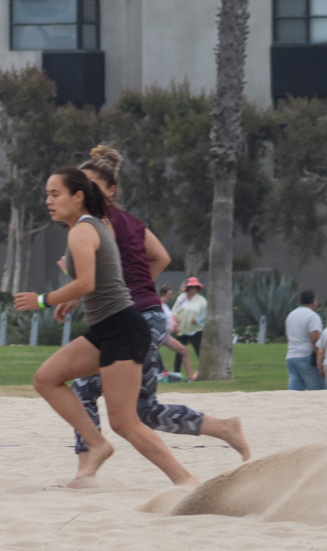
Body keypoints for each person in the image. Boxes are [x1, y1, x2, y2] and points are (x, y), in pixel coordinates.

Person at [58, 147, 249, 483]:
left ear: (110, 190)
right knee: (144, 411)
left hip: (131, 320)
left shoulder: (98, 223)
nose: (83, 193)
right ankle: (223, 428)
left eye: (89, 186)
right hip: (150, 317)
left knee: (84, 388)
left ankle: (87, 465)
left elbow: (96, 275)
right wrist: (139, 286)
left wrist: (81, 284)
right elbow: (161, 257)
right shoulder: (130, 221)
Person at [14, 167, 198, 487]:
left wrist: (43, 300)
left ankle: (186, 482)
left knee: (125, 422)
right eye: (47, 195)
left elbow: (86, 283)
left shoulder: (82, 231)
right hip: (107, 329)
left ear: (78, 196)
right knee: (46, 379)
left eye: (55, 194)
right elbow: (95, 282)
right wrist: (72, 299)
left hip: (122, 328)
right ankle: (96, 443)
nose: (48, 201)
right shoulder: (89, 227)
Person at [285, 290, 326, 391]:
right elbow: (315, 340)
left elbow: (289, 338)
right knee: (319, 390)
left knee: (294, 391)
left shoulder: (291, 315)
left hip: (291, 356)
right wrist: (320, 359)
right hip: (306, 356)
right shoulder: (312, 316)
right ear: (314, 301)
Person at [159, 283, 194, 381]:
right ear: (163, 294)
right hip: (158, 336)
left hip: (166, 336)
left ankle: (190, 378)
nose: (171, 297)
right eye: (169, 294)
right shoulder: (158, 305)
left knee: (184, 351)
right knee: (150, 355)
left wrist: (174, 327)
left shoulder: (166, 306)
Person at [173, 277, 206, 379]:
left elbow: (205, 315)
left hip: (196, 330)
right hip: (182, 330)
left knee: (199, 352)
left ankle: (203, 372)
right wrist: (174, 323)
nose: (193, 289)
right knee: (179, 352)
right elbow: (175, 311)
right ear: (188, 288)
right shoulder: (181, 298)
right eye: (191, 287)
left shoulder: (202, 301)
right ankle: (176, 374)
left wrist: (197, 320)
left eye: (195, 287)